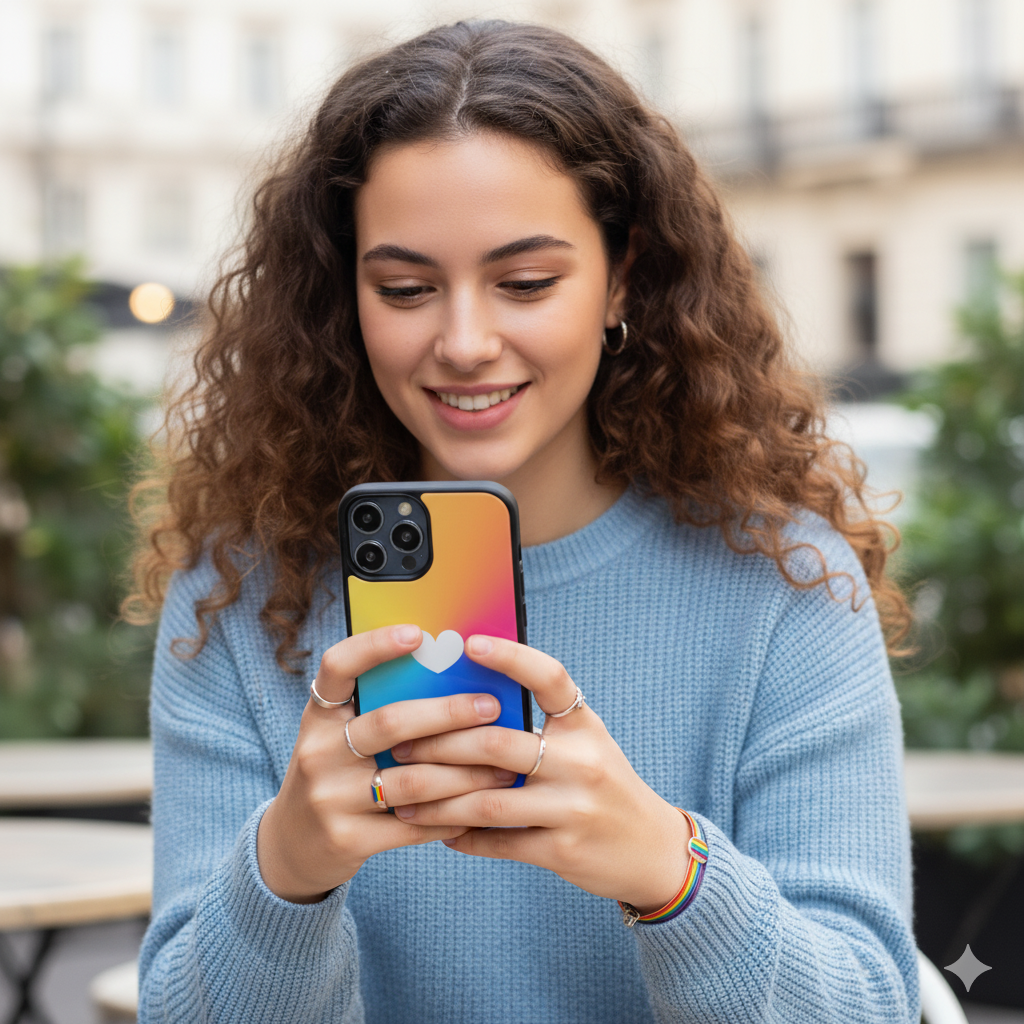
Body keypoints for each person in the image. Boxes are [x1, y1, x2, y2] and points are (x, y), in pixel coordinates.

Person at [128, 19, 919, 1024]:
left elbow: (868, 1003)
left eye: (526, 283)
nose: (464, 341)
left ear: (622, 276)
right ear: (345, 296)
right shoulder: (239, 597)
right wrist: (284, 869)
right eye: (405, 289)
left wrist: (668, 871)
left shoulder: (786, 585)